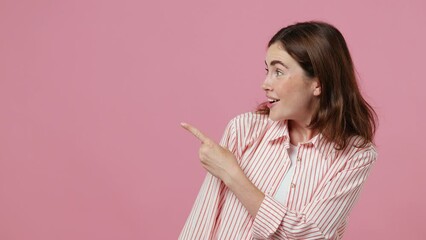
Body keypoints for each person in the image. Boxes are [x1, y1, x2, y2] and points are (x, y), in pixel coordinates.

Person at [179, 21, 377, 240]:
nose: (265, 84)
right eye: (267, 70)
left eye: (279, 72)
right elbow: (204, 218)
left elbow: (309, 235)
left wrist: (231, 173)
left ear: (318, 83)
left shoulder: (356, 156)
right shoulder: (243, 129)